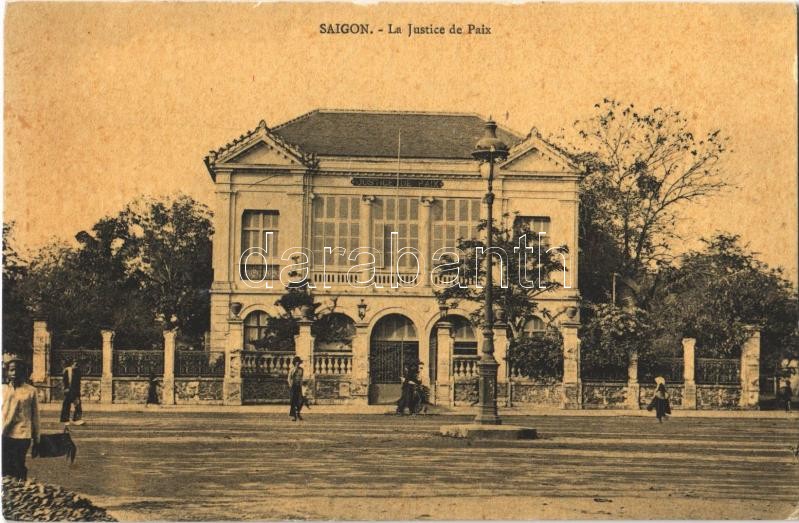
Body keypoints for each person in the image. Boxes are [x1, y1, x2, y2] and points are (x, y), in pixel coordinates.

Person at [2, 355, 41, 481]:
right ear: (7, 372)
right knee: (4, 466)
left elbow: (35, 417)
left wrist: (37, 439)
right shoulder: (2, 389)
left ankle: (19, 489)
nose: (14, 373)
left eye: (18, 370)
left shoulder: (30, 391)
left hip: (22, 434)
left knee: (18, 465)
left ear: (24, 372)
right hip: (4, 434)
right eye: (11, 370)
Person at [60, 358, 84, 425]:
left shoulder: (78, 371)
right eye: (74, 363)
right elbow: (65, 381)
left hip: (75, 391)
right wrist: (66, 388)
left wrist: (78, 392)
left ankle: (77, 419)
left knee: (78, 405)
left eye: (77, 363)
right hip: (69, 390)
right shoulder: (67, 370)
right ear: (71, 364)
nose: (76, 365)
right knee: (66, 405)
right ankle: (65, 419)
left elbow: (78, 383)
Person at [288, 356, 305, 421]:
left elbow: (301, 378)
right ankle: (294, 416)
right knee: (293, 401)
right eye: (296, 362)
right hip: (293, 386)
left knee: (300, 400)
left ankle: (298, 413)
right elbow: (289, 378)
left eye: (298, 362)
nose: (297, 363)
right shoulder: (292, 369)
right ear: (294, 363)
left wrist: (301, 385)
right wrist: (291, 385)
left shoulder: (301, 370)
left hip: (299, 386)